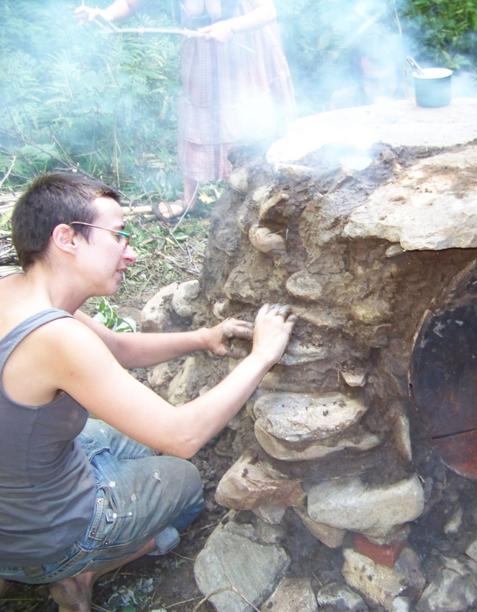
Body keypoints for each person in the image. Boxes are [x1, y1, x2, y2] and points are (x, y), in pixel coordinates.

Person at [0, 172, 295, 611]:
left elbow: (118, 347)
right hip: (46, 534)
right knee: (187, 481)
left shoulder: (14, 287)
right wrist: (262, 356)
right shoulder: (56, 339)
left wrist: (202, 337)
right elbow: (181, 436)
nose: (131, 254)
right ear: (67, 238)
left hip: (17, 495)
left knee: (135, 442)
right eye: (118, 237)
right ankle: (77, 570)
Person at [75, 0, 296, 219]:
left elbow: (267, 11)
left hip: (246, 47)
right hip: (203, 50)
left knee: (252, 113)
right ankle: (189, 200)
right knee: (198, 110)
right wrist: (104, 15)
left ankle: (262, 188)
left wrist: (231, 26)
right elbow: (129, 3)